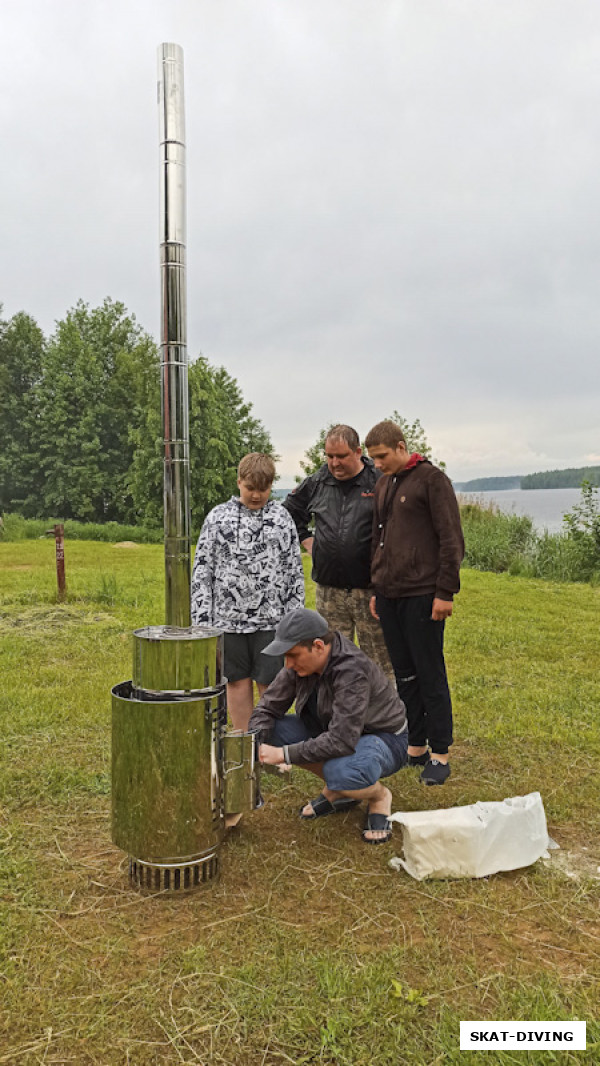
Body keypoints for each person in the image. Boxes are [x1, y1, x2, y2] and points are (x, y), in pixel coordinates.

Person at [249, 608, 408, 844]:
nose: (288, 664)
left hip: (383, 739)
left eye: (293, 655)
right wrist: (255, 744)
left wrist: (284, 755)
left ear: (318, 646)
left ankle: (378, 797)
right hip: (334, 731)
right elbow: (266, 709)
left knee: (341, 772)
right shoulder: (299, 664)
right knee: (273, 731)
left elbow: (341, 740)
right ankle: (340, 789)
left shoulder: (352, 671)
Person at [364, 421, 465, 785]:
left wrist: (444, 592)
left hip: (423, 594)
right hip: (389, 595)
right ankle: (415, 745)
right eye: (372, 458)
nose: (376, 463)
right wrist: (376, 588)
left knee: (429, 673)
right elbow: (377, 540)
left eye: (381, 456)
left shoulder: (432, 480)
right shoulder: (382, 484)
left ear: (401, 447)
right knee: (404, 675)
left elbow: (451, 539)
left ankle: (440, 754)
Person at [191, 452, 305, 731]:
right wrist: (203, 621)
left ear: (272, 486)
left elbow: (294, 571)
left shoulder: (282, 518)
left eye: (263, 489)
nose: (256, 495)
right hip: (228, 623)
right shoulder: (218, 518)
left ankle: (269, 743)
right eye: (250, 488)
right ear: (238, 481)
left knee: (271, 684)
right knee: (236, 681)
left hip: (271, 622)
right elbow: (203, 570)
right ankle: (244, 743)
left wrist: (293, 620)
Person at [283, 424, 393, 680]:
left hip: (370, 591)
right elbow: (289, 512)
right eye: (329, 456)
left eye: (341, 456)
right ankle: (334, 714)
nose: (334, 463)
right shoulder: (318, 481)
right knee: (330, 661)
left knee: (379, 663)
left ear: (357, 452)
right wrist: (306, 540)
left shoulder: (379, 482)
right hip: (329, 591)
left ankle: (383, 717)